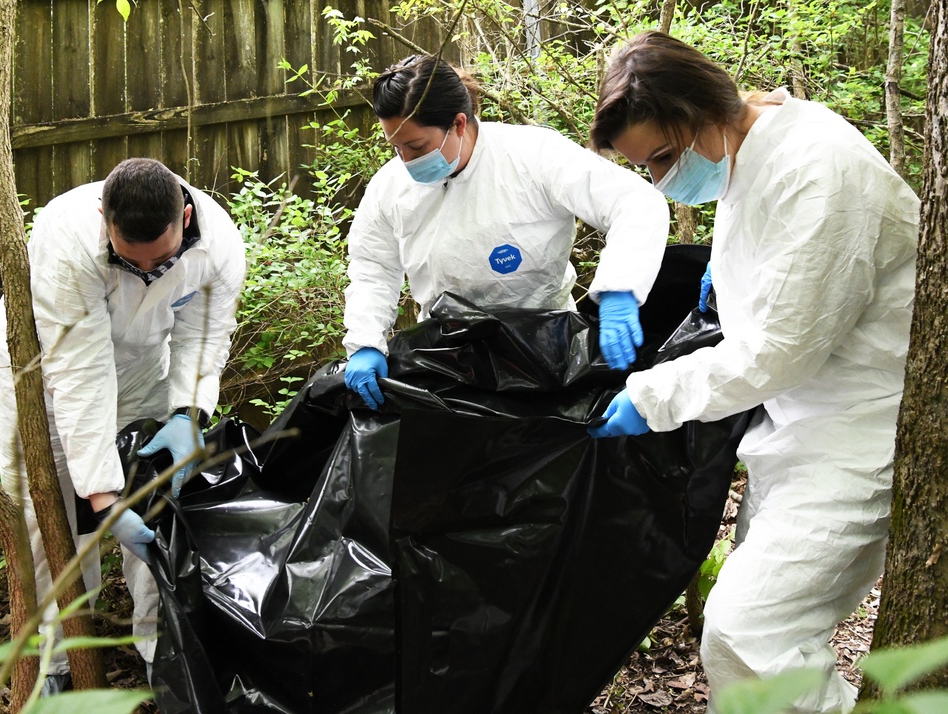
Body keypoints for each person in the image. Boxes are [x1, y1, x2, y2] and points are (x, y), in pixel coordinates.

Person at [587, 31, 918, 713]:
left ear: (702, 108)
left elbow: (781, 347)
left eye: (663, 158)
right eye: (645, 168)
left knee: (749, 632)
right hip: (801, 426)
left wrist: (652, 396)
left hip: (860, 431)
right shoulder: (752, 151)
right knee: (755, 637)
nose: (661, 180)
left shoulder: (815, 168)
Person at [0, 158, 246, 693]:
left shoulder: (218, 243)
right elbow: (80, 371)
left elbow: (204, 336)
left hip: (142, 371)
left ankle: (164, 661)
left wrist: (187, 414)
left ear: (186, 215)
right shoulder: (66, 237)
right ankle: (57, 670)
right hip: (43, 374)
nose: (149, 272)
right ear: (103, 217)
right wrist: (104, 498)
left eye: (162, 262)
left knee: (160, 512)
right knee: (47, 523)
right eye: (133, 263)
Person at [342, 54, 670, 408]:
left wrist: (618, 291)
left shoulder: (532, 155)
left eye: (417, 146)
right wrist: (364, 343)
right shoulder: (389, 187)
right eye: (397, 146)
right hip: (447, 362)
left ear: (459, 123)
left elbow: (634, 202)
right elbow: (373, 268)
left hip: (550, 357)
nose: (406, 160)